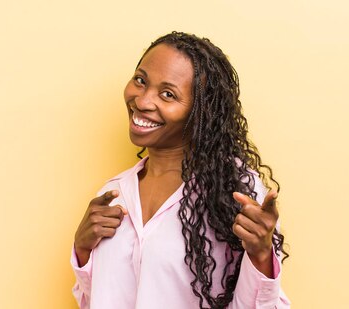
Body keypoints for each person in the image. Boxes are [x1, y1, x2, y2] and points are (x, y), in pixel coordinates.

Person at [71, 31, 290, 309]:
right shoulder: (112, 195)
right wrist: (82, 249)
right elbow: (97, 301)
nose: (142, 101)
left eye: (168, 94)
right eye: (140, 80)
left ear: (200, 112)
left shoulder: (234, 193)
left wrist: (261, 255)